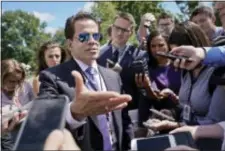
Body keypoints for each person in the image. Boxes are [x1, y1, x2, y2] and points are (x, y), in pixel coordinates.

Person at [38, 11, 133, 151]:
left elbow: (124, 120)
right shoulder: (51, 77)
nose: (92, 41)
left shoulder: (113, 76)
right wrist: (74, 113)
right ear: (70, 44)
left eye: (96, 36)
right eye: (83, 37)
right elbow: (46, 124)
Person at [147, 21, 225, 131]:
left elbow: (216, 122)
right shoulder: (186, 71)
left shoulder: (218, 74)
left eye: (181, 54)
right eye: (174, 55)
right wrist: (171, 113)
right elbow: (186, 107)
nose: (178, 60)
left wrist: (175, 126)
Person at [98, 12, 147, 110]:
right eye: (117, 28)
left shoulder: (139, 55)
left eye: (124, 30)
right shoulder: (98, 54)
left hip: (128, 110)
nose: (120, 33)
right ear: (112, 28)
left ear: (131, 32)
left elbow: (143, 90)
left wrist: (120, 75)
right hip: (103, 109)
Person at [135, 30, 181, 127]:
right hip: (161, 117)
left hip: (182, 113)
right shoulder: (148, 68)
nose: (157, 49)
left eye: (161, 45)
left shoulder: (180, 64)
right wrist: (147, 87)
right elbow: (154, 96)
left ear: (168, 45)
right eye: (153, 46)